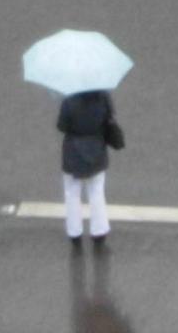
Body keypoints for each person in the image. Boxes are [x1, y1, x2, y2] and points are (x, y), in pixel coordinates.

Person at [57, 90, 116, 248]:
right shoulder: (103, 96)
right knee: (96, 192)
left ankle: (74, 232)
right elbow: (109, 117)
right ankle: (99, 231)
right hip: (96, 148)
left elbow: (61, 125)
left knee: (72, 193)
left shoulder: (70, 99)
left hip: (73, 151)